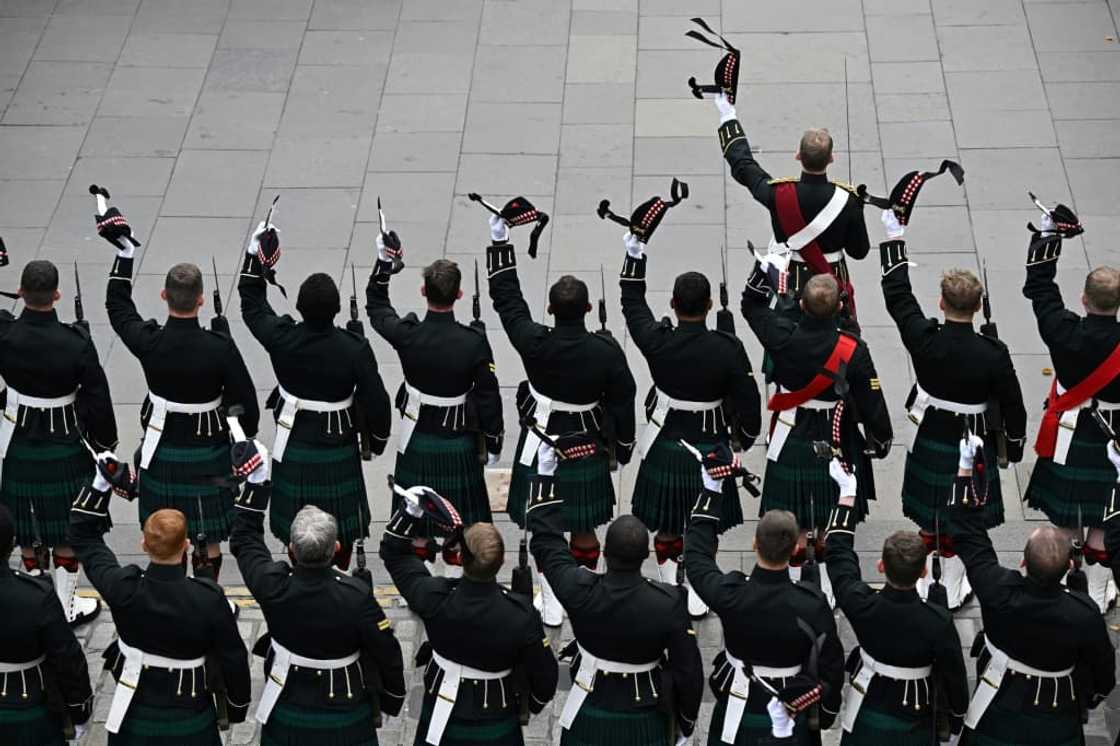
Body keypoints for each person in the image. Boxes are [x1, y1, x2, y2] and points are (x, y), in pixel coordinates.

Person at [486, 213, 637, 626]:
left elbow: (507, 299)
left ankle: (551, 602)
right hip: (585, 443)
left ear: (550, 309)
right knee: (584, 525)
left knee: (546, 528)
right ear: (589, 309)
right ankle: (584, 596)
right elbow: (624, 400)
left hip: (541, 440)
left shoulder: (533, 341)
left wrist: (500, 241)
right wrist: (622, 445)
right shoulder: (607, 353)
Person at [102, 195, 259, 585]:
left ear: (163, 296)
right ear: (202, 300)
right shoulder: (218, 347)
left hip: (163, 450)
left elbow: (117, 308)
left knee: (167, 533)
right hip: (208, 452)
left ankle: (174, 592)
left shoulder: (149, 341)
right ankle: (207, 595)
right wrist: (245, 437)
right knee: (207, 537)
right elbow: (246, 402)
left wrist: (125, 253)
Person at [879, 212, 1027, 610]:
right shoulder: (993, 353)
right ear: (978, 307)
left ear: (941, 303)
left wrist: (894, 237)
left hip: (931, 431)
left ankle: (929, 578)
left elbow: (898, 296)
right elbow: (1013, 403)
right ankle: (958, 579)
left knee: (930, 511)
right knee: (967, 513)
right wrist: (1013, 445)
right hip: (973, 438)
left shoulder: (924, 338)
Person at [619, 230, 760, 618]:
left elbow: (631, 302)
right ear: (711, 304)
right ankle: (700, 590)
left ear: (673, 304)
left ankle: (669, 587)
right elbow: (748, 403)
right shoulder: (728, 348)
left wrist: (635, 255)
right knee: (705, 523)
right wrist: (744, 439)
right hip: (710, 442)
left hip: (666, 441)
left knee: (666, 525)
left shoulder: (657, 341)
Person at [229, 442, 406, 745]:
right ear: (336, 549)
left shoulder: (273, 585)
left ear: (291, 550)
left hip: (288, 699)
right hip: (345, 707)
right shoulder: (356, 595)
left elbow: (245, 541)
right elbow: (387, 651)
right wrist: (392, 698)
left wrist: (257, 484)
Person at [526, 440, 703, 745]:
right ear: (645, 556)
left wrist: (545, 474)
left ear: (605, 553)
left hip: (589, 706)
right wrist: (685, 723)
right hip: (645, 713)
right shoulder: (670, 603)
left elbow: (548, 545)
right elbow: (689, 672)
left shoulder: (579, 589)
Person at [239, 220, 391, 569]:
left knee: (299, 528)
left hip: (294, 441)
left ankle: (300, 574)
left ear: (300, 308)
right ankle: (337, 576)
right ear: (337, 310)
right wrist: (378, 439)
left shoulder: (282, 337)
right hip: (337, 443)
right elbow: (376, 399)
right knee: (341, 530)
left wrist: (253, 257)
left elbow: (252, 305)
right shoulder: (354, 348)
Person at [69, 457, 252, 744]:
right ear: (186, 546)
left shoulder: (123, 587)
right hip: (192, 716)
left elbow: (84, 540)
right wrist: (236, 708)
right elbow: (234, 658)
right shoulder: (208, 598)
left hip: (136, 710)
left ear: (143, 544)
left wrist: (99, 484)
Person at [741, 262, 891, 604]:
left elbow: (751, 305)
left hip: (792, 427)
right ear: (839, 307)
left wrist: (761, 270)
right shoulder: (853, 348)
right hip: (836, 429)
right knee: (830, 502)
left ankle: (792, 566)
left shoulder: (780, 333)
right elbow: (871, 400)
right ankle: (826, 566)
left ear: (803, 306)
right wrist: (880, 438)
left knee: (791, 508)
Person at [950, 435, 1114, 745]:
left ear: (1023, 562)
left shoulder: (998, 588)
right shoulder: (1084, 613)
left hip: (997, 703)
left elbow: (966, 532)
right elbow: (1103, 673)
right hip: (1057, 712)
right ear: (1069, 567)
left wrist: (965, 468)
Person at [380, 484, 558, 745]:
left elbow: (393, 554)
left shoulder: (434, 596)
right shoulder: (520, 614)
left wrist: (410, 512)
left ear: (460, 557)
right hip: (497, 710)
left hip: (442, 704)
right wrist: (529, 704)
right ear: (501, 562)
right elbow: (545, 678)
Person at [684, 458, 844, 745]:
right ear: (796, 547)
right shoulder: (811, 603)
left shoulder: (731, 594)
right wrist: (827, 713)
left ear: (755, 544)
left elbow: (696, 558)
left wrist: (711, 490)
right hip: (792, 705)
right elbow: (831, 664)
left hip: (739, 700)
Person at [367, 241, 503, 576]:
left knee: (418, 518)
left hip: (418, 438)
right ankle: (456, 578)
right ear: (458, 296)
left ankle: (420, 584)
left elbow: (376, 307)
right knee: (458, 522)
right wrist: (495, 439)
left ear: (423, 290)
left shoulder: (407, 334)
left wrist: (383, 266)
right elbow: (488, 395)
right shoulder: (473, 341)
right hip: (458, 439)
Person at [0, 259, 117, 624]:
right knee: (67, 527)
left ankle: (29, 599)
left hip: (16, 437)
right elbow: (97, 396)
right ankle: (65, 607)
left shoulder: (5, 333)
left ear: (20, 292)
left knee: (26, 527)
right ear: (58, 295)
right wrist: (105, 442)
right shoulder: (76, 342)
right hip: (64, 437)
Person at [822, 459, 969, 744]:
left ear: (880, 566)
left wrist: (847, 493)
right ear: (924, 572)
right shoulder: (937, 620)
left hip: (868, 701)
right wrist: (956, 715)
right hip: (915, 708)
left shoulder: (861, 603)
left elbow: (838, 557)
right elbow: (954, 675)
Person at [1021, 203, 1120, 613]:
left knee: (1064, 518)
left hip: (1068, 432)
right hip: (1113, 435)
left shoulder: (1063, 330)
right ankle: (1098, 591)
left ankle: (1061, 580)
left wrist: (1048, 237)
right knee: (1103, 518)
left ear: (1083, 299)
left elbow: (1040, 289)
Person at [714, 93, 868, 319]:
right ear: (831, 159)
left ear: (798, 155)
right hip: (832, 279)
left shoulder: (779, 194)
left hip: (794, 280)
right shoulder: (848, 200)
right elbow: (859, 251)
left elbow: (744, 165)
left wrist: (728, 116)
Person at [0, 503, 93, 744]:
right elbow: (67, 659)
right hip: (28, 709)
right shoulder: (37, 596)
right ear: (11, 545)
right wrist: (79, 711)